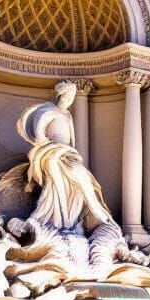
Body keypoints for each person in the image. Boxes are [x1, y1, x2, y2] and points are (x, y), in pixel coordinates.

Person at [16, 80, 116, 232]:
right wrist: (50, 146)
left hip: (67, 153)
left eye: (72, 98)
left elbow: (72, 140)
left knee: (81, 182)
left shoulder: (68, 115)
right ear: (59, 95)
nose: (69, 101)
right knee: (59, 183)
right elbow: (38, 134)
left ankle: (77, 220)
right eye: (66, 97)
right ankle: (47, 218)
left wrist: (68, 151)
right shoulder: (48, 110)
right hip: (51, 153)